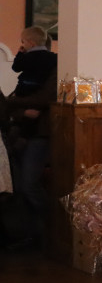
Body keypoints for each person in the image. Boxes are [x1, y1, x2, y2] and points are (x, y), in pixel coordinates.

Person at [5, 27, 58, 247]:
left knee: (28, 183)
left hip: (40, 132)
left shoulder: (53, 67)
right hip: (22, 130)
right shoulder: (32, 68)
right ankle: (30, 231)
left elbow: (43, 100)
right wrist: (17, 107)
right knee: (18, 184)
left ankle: (54, 223)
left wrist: (14, 104)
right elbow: (15, 100)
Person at [11, 26, 57, 98]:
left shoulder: (27, 57)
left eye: (23, 42)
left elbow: (15, 67)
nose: (22, 45)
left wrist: (20, 53)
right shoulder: (53, 57)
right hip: (42, 90)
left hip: (26, 90)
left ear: (31, 43)